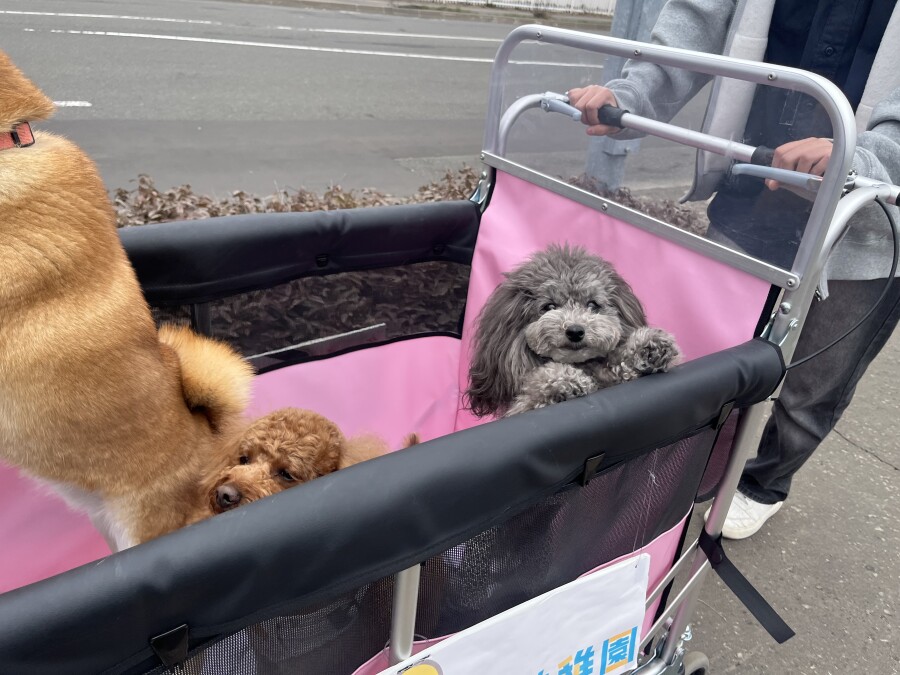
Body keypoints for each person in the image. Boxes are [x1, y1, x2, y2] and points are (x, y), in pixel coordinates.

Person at [568, 0, 900, 539]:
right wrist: (631, 93)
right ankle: (679, 464)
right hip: (753, 189)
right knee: (704, 350)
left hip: (870, 219)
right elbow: (696, 19)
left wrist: (866, 155)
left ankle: (764, 483)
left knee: (814, 384)